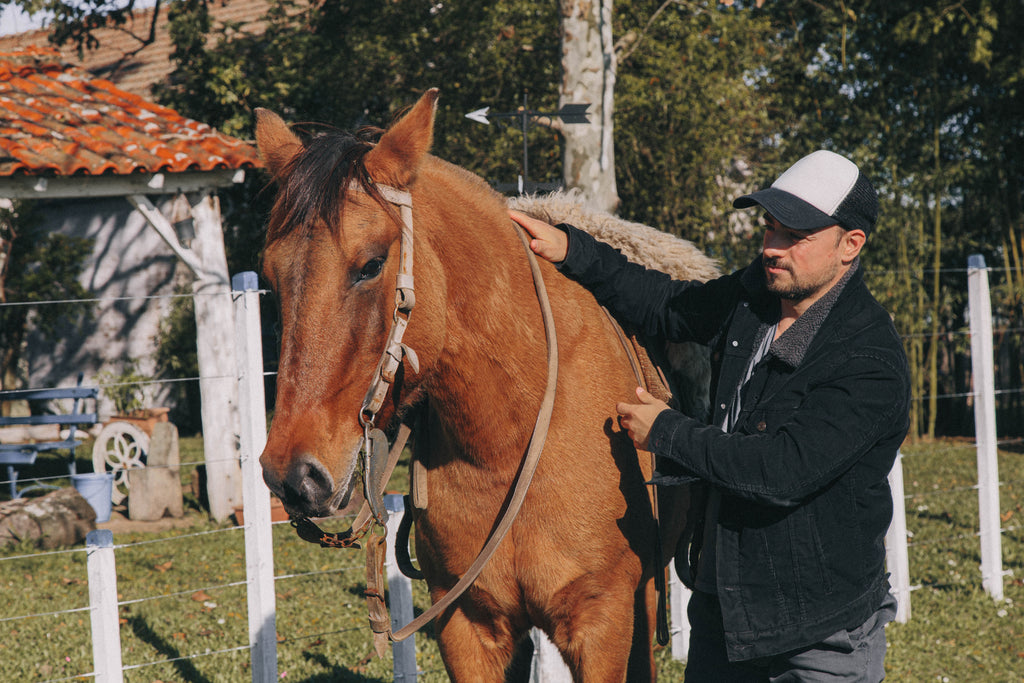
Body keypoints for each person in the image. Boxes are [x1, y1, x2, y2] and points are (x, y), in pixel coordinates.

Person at [509, 149, 911, 682]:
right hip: (726, 611)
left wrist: (668, 432)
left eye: (796, 235)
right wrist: (573, 250)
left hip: (817, 635)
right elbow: (670, 306)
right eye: (769, 228)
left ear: (850, 244)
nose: (772, 247)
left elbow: (779, 472)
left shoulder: (868, 360)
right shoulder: (758, 298)